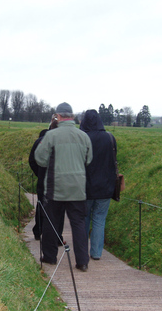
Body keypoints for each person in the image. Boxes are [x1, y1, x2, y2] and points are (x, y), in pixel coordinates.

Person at [35, 102, 93, 271]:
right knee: (79, 224)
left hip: (56, 186)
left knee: (51, 222)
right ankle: (82, 261)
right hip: (77, 188)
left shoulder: (51, 136)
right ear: (72, 117)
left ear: (58, 116)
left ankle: (50, 256)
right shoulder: (84, 136)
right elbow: (88, 160)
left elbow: (40, 159)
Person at [80, 109, 118, 260]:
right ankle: (96, 253)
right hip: (105, 186)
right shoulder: (110, 137)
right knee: (100, 219)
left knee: (84, 218)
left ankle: (82, 251)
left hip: (86, 187)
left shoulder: (82, 138)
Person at [28, 116, 60, 240]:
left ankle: (38, 231)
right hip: (58, 181)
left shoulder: (40, 141)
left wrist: (39, 173)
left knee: (41, 205)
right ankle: (56, 235)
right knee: (57, 210)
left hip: (43, 179)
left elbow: (32, 160)